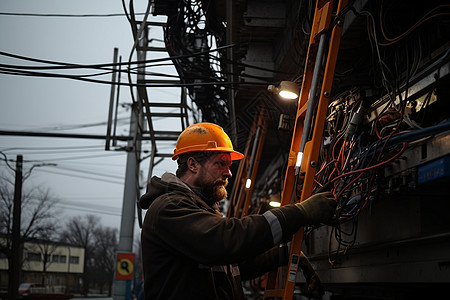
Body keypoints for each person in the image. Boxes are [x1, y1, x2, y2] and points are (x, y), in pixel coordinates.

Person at [139, 122, 336, 300]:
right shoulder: (169, 207)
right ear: (192, 164)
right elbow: (225, 241)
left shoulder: (198, 208)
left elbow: (233, 266)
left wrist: (283, 255)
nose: (229, 173)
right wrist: (299, 213)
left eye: (229, 165)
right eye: (220, 164)